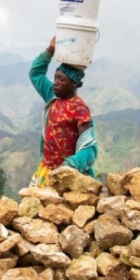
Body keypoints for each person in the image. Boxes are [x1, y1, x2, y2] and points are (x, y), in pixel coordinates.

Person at [28, 36, 98, 187]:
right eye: (55, 78)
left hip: (68, 176)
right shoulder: (52, 96)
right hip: (46, 171)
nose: (56, 83)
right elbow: (35, 74)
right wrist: (49, 52)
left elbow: (90, 149)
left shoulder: (79, 110)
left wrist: (69, 165)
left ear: (73, 83)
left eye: (61, 79)